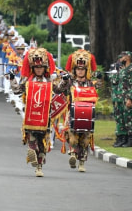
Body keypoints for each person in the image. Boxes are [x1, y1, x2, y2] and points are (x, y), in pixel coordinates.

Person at [10, 47, 64, 177]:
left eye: (41, 67)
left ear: (45, 68)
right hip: (31, 116)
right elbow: (17, 90)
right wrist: (12, 78)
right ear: (32, 68)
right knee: (32, 141)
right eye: (36, 67)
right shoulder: (28, 81)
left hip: (45, 118)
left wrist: (65, 80)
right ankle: (32, 151)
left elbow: (59, 90)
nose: (38, 69)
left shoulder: (50, 81)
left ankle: (39, 166)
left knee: (42, 143)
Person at [62, 49, 101, 172]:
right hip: (73, 113)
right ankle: (73, 153)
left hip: (88, 114)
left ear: (86, 70)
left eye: (82, 69)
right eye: (78, 69)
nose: (80, 71)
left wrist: (100, 78)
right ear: (75, 70)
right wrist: (63, 80)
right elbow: (59, 90)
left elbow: (99, 85)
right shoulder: (70, 82)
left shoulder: (91, 83)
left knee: (85, 139)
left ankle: (82, 162)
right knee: (72, 136)